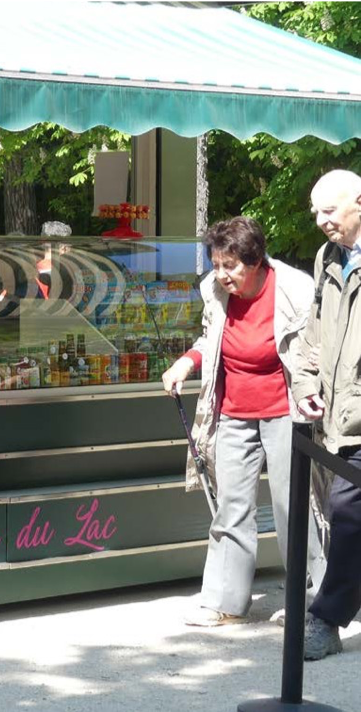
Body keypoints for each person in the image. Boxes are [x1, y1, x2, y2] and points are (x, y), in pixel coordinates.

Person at [162, 216, 326, 627]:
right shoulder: (215, 290)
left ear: (254, 261)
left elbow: (315, 348)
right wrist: (187, 362)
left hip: (287, 410)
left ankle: (311, 601)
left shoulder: (294, 289)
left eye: (230, 266)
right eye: (216, 264)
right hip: (234, 410)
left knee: (293, 506)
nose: (222, 274)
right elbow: (210, 339)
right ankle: (224, 602)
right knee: (230, 506)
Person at [291, 169, 361, 660]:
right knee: (348, 512)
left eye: (329, 210)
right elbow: (313, 331)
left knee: (347, 511)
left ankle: (326, 617)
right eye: (315, 211)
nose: (319, 220)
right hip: (340, 418)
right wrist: (305, 383)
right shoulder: (327, 257)